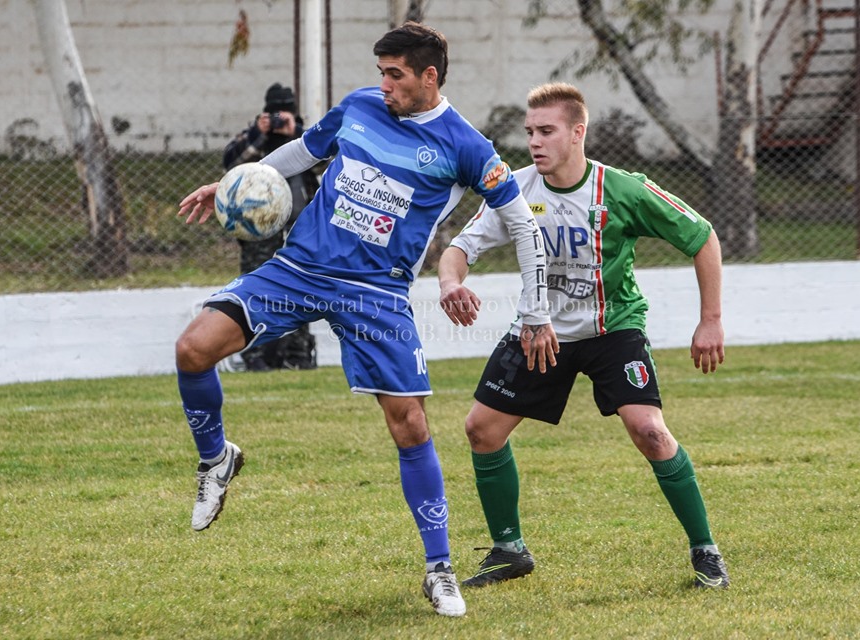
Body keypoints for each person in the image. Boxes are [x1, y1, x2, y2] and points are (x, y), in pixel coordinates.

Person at [175, 22, 555, 617]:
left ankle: (439, 569)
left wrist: (535, 312)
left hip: (376, 294)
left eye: (395, 75)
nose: (383, 86)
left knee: (410, 425)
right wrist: (232, 185)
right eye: (380, 72)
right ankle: (216, 459)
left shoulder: (465, 146)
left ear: (430, 77)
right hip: (299, 267)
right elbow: (303, 152)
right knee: (193, 349)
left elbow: (523, 223)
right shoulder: (358, 105)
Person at [437, 82, 730, 591]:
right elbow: (460, 247)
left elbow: (702, 236)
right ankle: (509, 550)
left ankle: (706, 550)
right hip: (538, 331)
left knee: (651, 431)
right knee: (481, 430)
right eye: (529, 132)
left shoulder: (622, 190)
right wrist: (450, 282)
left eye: (546, 131)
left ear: (578, 133)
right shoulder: (514, 189)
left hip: (611, 328)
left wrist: (711, 319)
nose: (534, 142)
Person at [222, 83, 319, 371]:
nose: (279, 118)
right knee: (255, 287)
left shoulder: (309, 139)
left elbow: (328, 168)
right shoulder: (255, 136)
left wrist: (295, 136)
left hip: (300, 225)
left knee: (300, 289)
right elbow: (230, 166)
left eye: (285, 112)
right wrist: (258, 136)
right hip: (258, 227)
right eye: (274, 112)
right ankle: (255, 355)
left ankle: (298, 353)